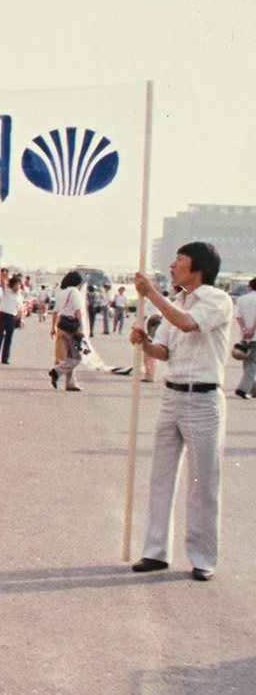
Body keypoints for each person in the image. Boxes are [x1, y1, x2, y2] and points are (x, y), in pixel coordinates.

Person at [129, 243, 232, 581]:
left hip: (203, 400)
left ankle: (203, 557)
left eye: (179, 261)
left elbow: (187, 324)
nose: (173, 266)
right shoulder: (177, 303)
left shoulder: (217, 300)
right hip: (171, 396)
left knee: (202, 483)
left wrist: (152, 294)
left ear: (198, 268)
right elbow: (165, 351)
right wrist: (145, 343)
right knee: (161, 476)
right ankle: (155, 551)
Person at [50, 271, 87, 391]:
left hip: (61, 325)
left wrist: (53, 328)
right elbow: (77, 311)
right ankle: (57, 371)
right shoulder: (75, 292)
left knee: (69, 357)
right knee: (77, 357)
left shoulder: (61, 293)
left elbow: (55, 312)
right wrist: (81, 327)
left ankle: (70, 383)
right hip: (71, 326)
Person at [0, 274, 23, 364]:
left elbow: (20, 309)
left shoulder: (19, 296)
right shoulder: (7, 291)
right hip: (3, 315)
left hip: (12, 317)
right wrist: (3, 276)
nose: (17, 287)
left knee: (9, 338)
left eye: (19, 285)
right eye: (16, 284)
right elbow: (2, 283)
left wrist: (21, 320)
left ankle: (5, 358)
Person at [233, 277, 256, 399]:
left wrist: (244, 329)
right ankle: (243, 389)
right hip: (254, 335)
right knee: (253, 363)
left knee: (247, 362)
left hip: (245, 336)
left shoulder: (242, 299)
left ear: (250, 286)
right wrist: (252, 330)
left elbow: (237, 316)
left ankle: (254, 389)